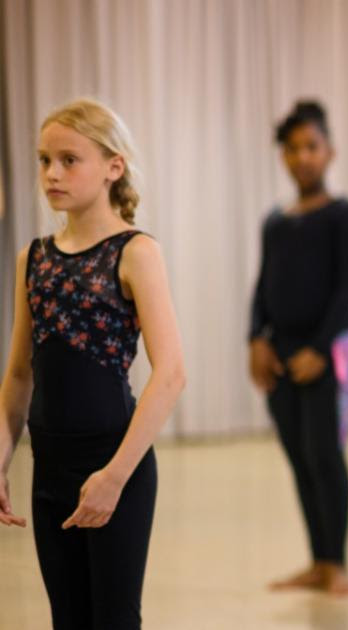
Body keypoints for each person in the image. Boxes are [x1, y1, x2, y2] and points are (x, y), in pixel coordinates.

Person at [0, 98, 186, 628]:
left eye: (69, 160)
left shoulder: (135, 252)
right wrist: (1, 456)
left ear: (113, 167)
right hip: (50, 468)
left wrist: (114, 476)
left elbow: (171, 374)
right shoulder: (33, 259)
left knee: (114, 620)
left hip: (114, 464)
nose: (52, 174)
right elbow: (19, 373)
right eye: (44, 160)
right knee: (68, 618)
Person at [249, 101, 348, 596]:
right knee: (300, 457)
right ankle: (317, 562)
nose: (303, 157)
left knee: (325, 455)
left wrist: (319, 348)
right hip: (282, 355)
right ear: (283, 156)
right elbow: (263, 285)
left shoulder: (345, 216)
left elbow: (347, 288)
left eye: (312, 147)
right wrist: (255, 339)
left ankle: (337, 563)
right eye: (293, 148)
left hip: (331, 352)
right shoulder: (275, 221)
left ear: (330, 151)